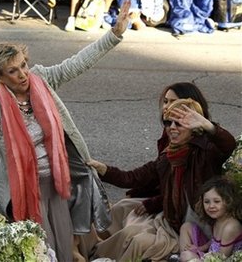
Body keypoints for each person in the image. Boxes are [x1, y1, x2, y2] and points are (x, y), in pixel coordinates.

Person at [0, 1, 131, 261]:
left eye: (23, 65)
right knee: (39, 250)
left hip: (57, 184)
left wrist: (113, 35)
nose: (23, 74)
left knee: (63, 248)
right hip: (24, 190)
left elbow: (76, 64)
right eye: (13, 71)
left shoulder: (42, 80)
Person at [88, 98, 236, 261]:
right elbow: (132, 178)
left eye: (179, 123)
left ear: (195, 127)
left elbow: (229, 145)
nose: (172, 128)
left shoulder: (206, 152)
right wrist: (102, 169)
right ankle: (91, 253)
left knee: (138, 241)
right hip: (175, 223)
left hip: (202, 230)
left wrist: (209, 126)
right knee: (123, 219)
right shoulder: (167, 157)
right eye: (167, 123)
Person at [105, 82, 212, 238]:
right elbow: (147, 175)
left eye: (172, 102)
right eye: (165, 101)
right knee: (120, 208)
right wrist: (102, 170)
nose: (166, 107)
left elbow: (186, 193)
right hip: (166, 202)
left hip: (182, 216)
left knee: (134, 235)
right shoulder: (170, 141)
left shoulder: (203, 149)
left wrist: (154, 203)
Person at [179, 177, 242, 261]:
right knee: (186, 227)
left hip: (219, 259)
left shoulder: (230, 227)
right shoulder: (218, 220)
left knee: (186, 256)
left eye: (216, 201)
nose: (211, 206)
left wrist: (197, 257)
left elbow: (221, 258)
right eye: (207, 202)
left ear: (228, 201)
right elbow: (213, 241)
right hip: (211, 254)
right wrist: (200, 249)